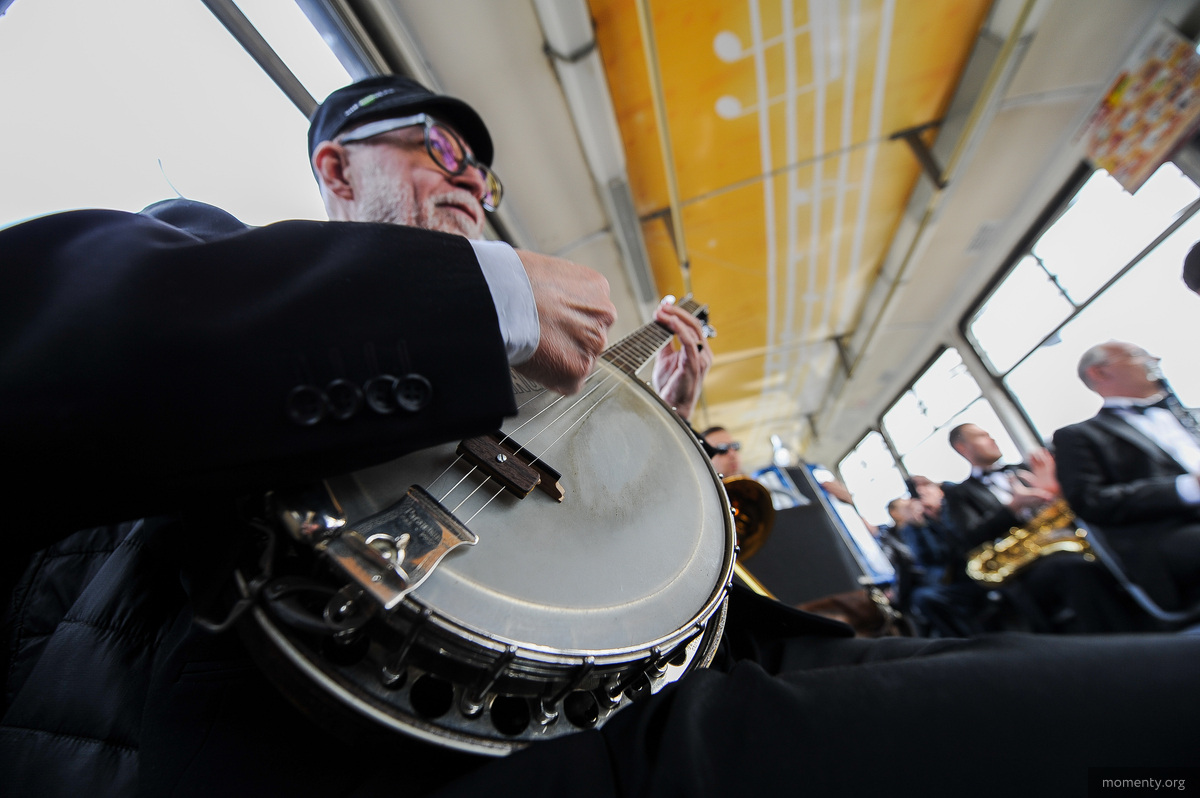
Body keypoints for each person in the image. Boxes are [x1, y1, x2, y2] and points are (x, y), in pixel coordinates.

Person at [3, 75, 1199, 798]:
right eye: (441, 149)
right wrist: (491, 300)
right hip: (299, 750)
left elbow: (553, 544)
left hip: (586, 703)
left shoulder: (496, 371)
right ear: (335, 165)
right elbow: (54, 345)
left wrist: (645, 447)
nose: (474, 179)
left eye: (484, 169)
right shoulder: (210, 250)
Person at [941, 423, 1134, 633]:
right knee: (1075, 568)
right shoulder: (960, 493)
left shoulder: (1026, 469)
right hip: (1028, 565)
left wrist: (1056, 491)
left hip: (1070, 538)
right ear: (963, 447)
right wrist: (1013, 509)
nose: (992, 439)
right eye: (981, 436)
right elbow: (969, 537)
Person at [1053, 340, 1200, 614]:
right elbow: (1092, 501)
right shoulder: (1078, 436)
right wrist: (1188, 488)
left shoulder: (1189, 414)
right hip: (1168, 535)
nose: (1154, 358)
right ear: (1100, 373)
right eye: (1137, 355)